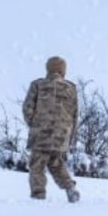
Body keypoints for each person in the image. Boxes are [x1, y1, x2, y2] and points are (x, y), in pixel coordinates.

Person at [22, 56, 81, 203]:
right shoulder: (71, 88)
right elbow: (75, 115)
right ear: (63, 70)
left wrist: (34, 124)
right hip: (61, 135)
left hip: (41, 132)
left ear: (48, 68)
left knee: (37, 165)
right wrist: (69, 136)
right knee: (56, 163)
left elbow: (27, 108)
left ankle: (38, 196)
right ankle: (70, 188)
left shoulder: (38, 85)